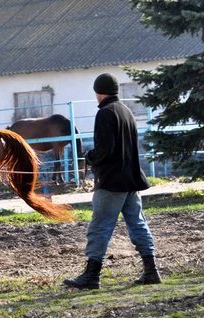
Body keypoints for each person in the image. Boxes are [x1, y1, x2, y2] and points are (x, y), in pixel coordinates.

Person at [63, 72, 161, 290]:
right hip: (130, 180)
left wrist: (89, 157)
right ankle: (151, 270)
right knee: (138, 224)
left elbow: (104, 150)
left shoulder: (105, 113)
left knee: (99, 226)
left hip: (111, 182)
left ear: (98, 92)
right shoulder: (126, 112)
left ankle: (92, 275)